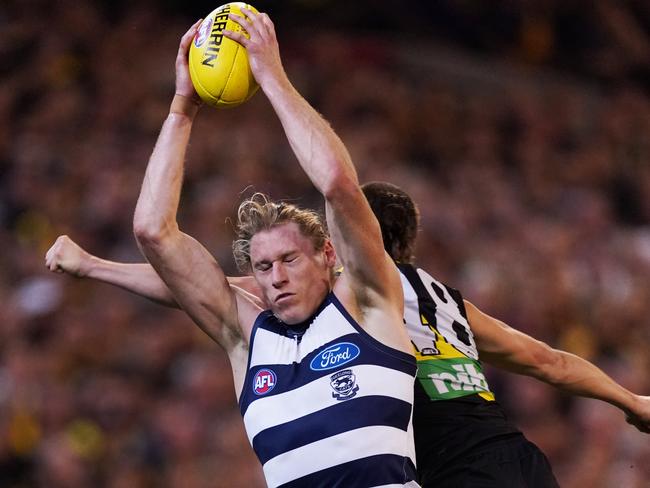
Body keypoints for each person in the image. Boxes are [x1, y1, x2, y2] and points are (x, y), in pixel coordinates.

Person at [48, 179, 650, 487]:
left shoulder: (360, 298)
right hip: (516, 457)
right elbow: (547, 360)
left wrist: (93, 267)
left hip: (448, 471)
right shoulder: (446, 300)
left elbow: (204, 290)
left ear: (349, 248)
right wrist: (631, 400)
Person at [80, 10, 418, 488]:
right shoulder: (246, 338)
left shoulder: (367, 302)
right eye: (263, 266)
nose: (276, 276)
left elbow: (338, 183)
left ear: (327, 256)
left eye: (288, 260)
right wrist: (182, 106)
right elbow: (154, 231)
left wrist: (272, 77)